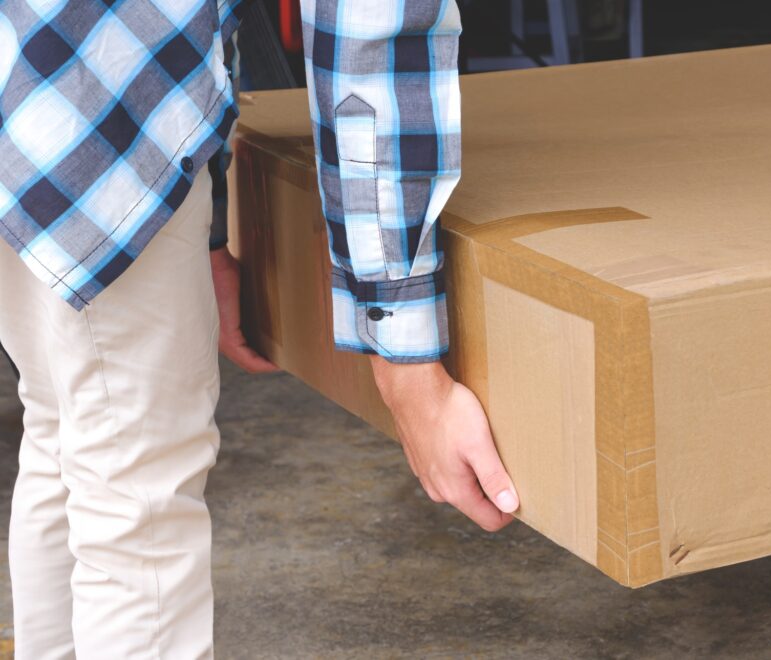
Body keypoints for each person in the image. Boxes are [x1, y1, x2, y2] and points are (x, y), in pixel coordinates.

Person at [0, 0, 519, 656]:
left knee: (64, 430)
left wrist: (209, 229)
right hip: (95, 116)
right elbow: (372, 29)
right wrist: (404, 356)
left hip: (29, 91)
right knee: (135, 497)